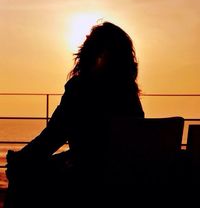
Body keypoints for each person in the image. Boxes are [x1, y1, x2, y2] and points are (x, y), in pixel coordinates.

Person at [4, 21, 144, 207]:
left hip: (86, 179)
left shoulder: (80, 89)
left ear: (88, 54)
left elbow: (52, 137)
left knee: (23, 172)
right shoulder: (128, 94)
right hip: (124, 182)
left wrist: (19, 160)